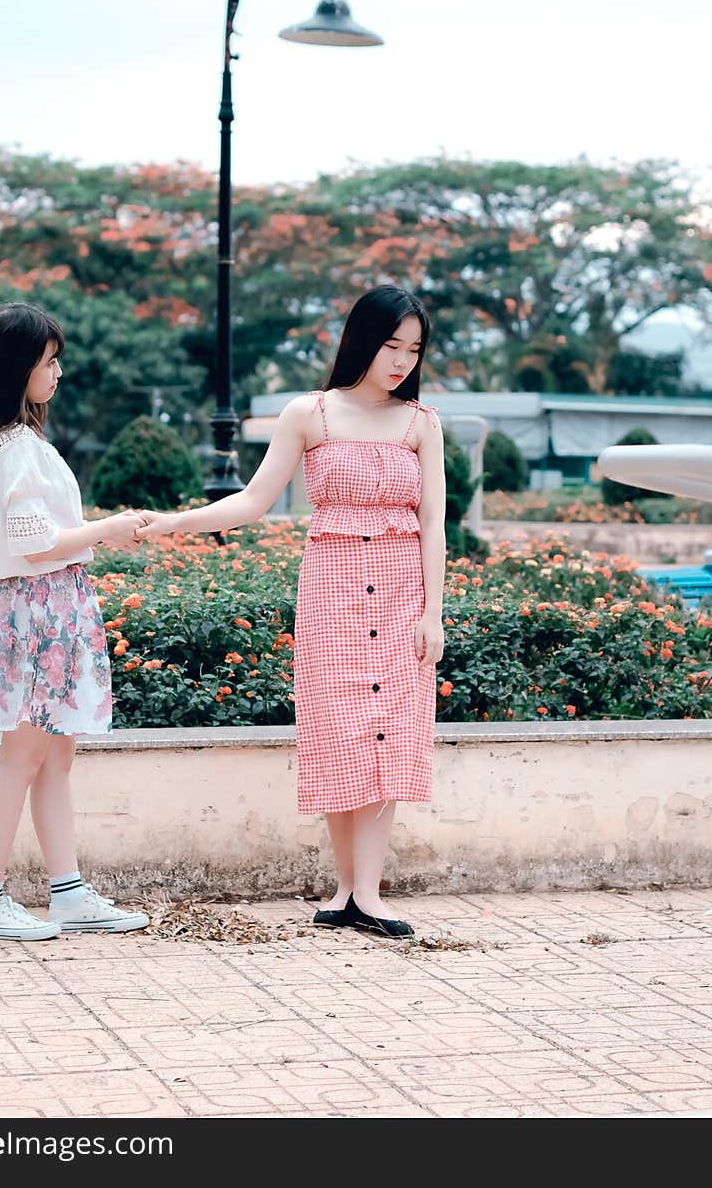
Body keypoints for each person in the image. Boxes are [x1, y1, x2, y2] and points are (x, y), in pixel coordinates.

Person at [137, 285, 446, 938]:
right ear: (362, 340)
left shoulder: (422, 423)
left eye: (413, 349)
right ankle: (345, 890)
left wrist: (433, 614)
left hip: (399, 601)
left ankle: (369, 892)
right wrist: (169, 524)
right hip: (331, 596)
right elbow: (250, 502)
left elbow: (434, 525)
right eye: (391, 345)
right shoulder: (310, 415)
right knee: (340, 732)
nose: (401, 361)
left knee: (387, 731)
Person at [0, 302, 153, 941]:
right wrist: (114, 529)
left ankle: (67, 894)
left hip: (48, 605)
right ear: (21, 368)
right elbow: (36, 542)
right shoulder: (13, 446)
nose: (58, 371)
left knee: (53, 758)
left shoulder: (12, 442)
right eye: (49, 361)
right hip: (39, 606)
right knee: (24, 757)